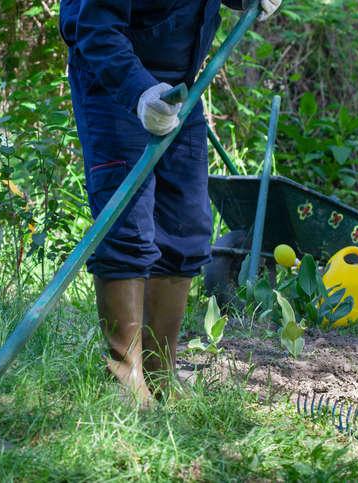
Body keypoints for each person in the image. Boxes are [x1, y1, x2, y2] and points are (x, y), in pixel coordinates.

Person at [59, 0, 281, 407]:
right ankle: (125, 375)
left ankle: (161, 371)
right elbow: (91, 24)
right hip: (115, 80)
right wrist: (139, 93)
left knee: (187, 225)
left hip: (182, 85)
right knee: (127, 226)